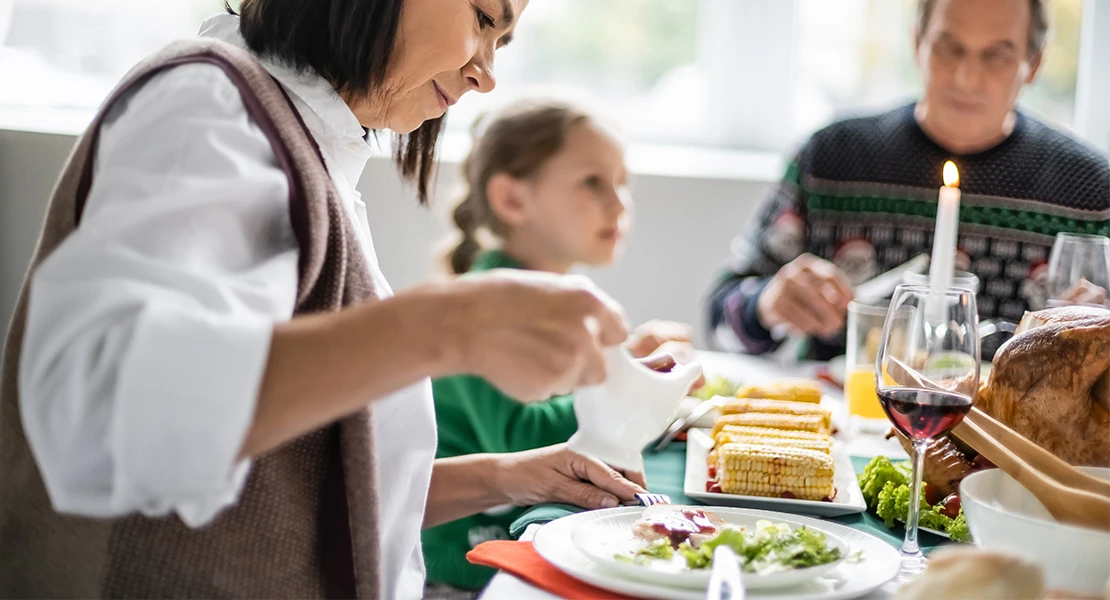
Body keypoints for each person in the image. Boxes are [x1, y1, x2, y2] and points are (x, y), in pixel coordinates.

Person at [0, 1, 657, 598]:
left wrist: (510, 476)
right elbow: (102, 421)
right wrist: (449, 325)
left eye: (504, 43)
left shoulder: (313, 148)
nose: (485, 74)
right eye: (484, 18)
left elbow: (307, 487)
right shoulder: (206, 110)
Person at [707, 0, 1110, 361]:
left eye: (996, 56)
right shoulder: (832, 157)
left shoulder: (1090, 189)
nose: (966, 77)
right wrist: (765, 305)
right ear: (917, 42)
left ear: (1033, 63)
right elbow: (720, 325)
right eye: (949, 48)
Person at [420, 100, 696, 591]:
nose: (619, 204)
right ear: (512, 199)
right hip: (471, 558)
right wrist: (621, 385)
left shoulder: (553, 301)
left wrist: (626, 366)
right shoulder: (486, 308)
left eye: (621, 183)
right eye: (593, 182)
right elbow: (521, 437)